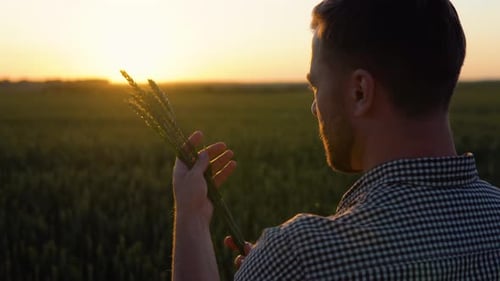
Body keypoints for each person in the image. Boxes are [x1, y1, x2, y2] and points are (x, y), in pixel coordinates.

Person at [171, 0, 500, 279]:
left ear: (360, 92)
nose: (315, 108)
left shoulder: (300, 258)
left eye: (316, 86)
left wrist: (192, 218)